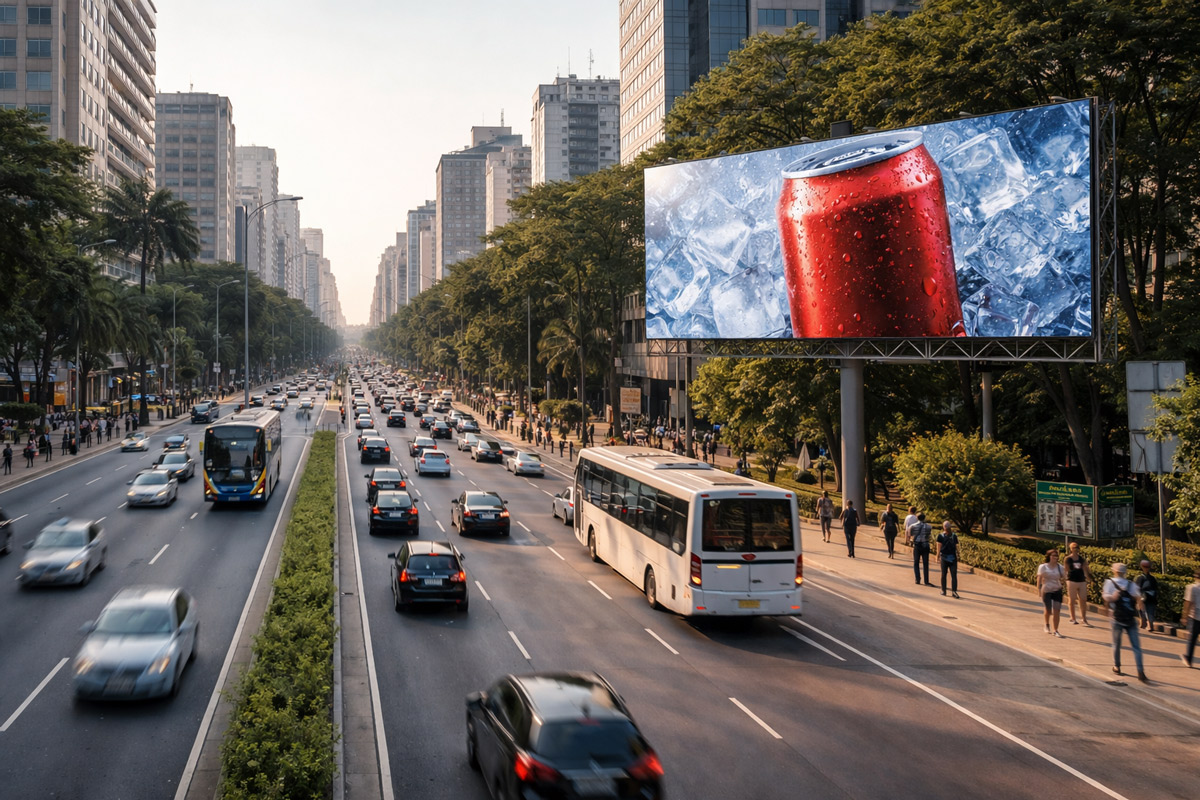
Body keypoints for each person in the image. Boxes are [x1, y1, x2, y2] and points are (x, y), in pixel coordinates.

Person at [1102, 563, 1147, 682]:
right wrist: (1142, 616)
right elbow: (1139, 600)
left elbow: (1106, 598)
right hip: (1130, 618)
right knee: (1136, 646)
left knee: (1116, 644)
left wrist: (1113, 598)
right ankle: (1140, 670)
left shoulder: (1109, 583)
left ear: (1114, 571)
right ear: (1125, 572)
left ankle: (1117, 666)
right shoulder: (1131, 584)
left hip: (1116, 617)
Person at [1037, 549, 1066, 637]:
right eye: (1053, 555)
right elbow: (1039, 578)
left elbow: (1065, 577)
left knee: (1057, 610)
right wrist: (1038, 589)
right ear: (1049, 556)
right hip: (1046, 589)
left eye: (1056, 556)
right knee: (1048, 610)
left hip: (1057, 589)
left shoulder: (1060, 567)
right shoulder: (1043, 567)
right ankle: (1046, 624)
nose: (1055, 557)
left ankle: (1056, 630)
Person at [1063, 541, 1093, 627]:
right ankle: (1073, 618)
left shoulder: (1081, 559)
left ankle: (1084, 619)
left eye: (1076, 547)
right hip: (1071, 580)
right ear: (1071, 549)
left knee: (1083, 599)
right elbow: (1066, 570)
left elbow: (1085, 569)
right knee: (1072, 600)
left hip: (1081, 581)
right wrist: (1065, 579)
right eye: (1073, 548)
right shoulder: (1068, 559)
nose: (1075, 549)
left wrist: (1089, 579)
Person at [906, 512, 932, 586]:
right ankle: (926, 580)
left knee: (916, 563)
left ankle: (917, 579)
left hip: (917, 545)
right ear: (924, 518)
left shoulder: (912, 526)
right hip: (925, 545)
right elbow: (929, 535)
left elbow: (909, 535)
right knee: (925, 563)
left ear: (917, 518)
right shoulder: (929, 527)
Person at [1182, 568, 1200, 668]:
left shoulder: (1191, 587)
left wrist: (1184, 616)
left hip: (1194, 616)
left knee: (1192, 639)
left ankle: (1188, 660)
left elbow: (1188, 603)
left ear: (1195, 577)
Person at [936, 521, 960, 598]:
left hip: (944, 557)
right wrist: (958, 554)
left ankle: (943, 590)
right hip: (953, 557)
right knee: (954, 575)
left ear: (943, 527)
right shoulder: (954, 536)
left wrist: (937, 556)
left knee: (944, 574)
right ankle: (954, 592)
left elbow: (939, 546)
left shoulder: (940, 536)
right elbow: (957, 547)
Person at [1134, 560, 1159, 632]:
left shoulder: (1140, 578)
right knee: (1145, 611)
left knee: (1146, 611)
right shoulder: (1149, 578)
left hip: (1146, 598)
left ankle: (1148, 625)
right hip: (1149, 597)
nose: (1146, 568)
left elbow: (1137, 589)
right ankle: (1145, 623)